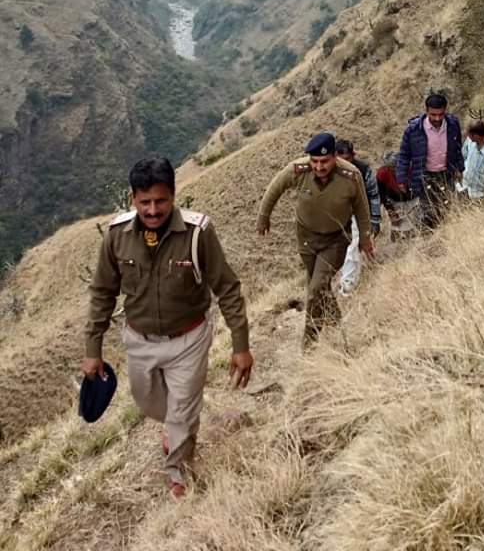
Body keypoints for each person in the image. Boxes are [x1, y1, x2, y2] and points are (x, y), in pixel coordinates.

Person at [82, 157, 253, 499]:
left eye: (160, 200)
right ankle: (173, 426)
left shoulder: (198, 232)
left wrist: (241, 344)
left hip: (189, 338)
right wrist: (92, 351)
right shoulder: (116, 237)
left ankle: (179, 472)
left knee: (184, 409)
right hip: (139, 340)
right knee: (149, 403)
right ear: (133, 199)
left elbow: (227, 287)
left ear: (173, 195)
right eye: (144, 202)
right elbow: (102, 292)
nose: (153, 209)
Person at [256, 132, 372, 345]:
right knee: (320, 287)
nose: (319, 167)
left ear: (335, 157)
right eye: (315, 161)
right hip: (307, 238)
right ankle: (338, 327)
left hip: (336, 239)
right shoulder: (298, 170)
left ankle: (310, 343)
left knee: (316, 287)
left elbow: (361, 207)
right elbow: (275, 188)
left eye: (324, 161)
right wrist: (264, 216)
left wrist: (365, 237)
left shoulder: (350, 175)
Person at [396, 93, 464, 229]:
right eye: (433, 115)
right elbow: (404, 154)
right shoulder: (413, 129)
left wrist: (459, 168)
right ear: (426, 111)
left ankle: (448, 235)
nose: (437, 118)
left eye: (440, 114)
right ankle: (431, 238)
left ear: (445, 110)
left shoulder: (453, 124)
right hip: (424, 176)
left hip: (447, 174)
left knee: (448, 207)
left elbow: (457, 148)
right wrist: (401, 178)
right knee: (429, 211)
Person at [335, 139, 380, 295]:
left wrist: (374, 220)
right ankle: (352, 280)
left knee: (357, 245)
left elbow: (373, 196)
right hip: (342, 215)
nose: (344, 163)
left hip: (362, 213)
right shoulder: (331, 171)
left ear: (352, 155)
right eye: (340, 160)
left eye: (347, 159)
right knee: (352, 247)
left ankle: (348, 285)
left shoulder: (364, 170)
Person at [376, 151, 419, 239]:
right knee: (396, 226)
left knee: (411, 224)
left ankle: (410, 243)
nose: (394, 170)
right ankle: (396, 244)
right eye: (391, 168)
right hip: (394, 200)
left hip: (412, 199)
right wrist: (391, 211)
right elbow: (381, 194)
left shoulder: (412, 169)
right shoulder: (382, 173)